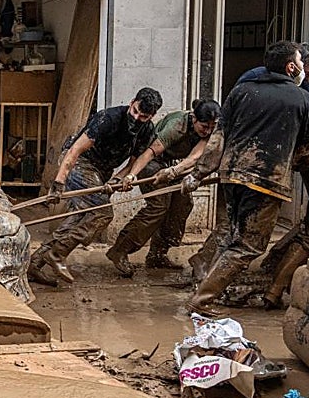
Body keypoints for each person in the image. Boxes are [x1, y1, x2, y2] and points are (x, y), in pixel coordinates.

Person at [186, 40, 309, 314]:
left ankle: (207, 286)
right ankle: (202, 299)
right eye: (300, 62)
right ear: (291, 67)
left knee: (233, 237)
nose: (303, 66)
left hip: (231, 177)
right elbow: (304, 149)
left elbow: (218, 137)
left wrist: (199, 173)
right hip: (265, 182)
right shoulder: (302, 99)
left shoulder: (241, 91)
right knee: (248, 246)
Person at [28, 87, 162, 287]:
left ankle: (36, 262)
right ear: (132, 102)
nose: (136, 118)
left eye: (143, 117)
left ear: (151, 116)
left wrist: (120, 179)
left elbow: (133, 164)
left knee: (81, 217)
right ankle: (57, 254)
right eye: (135, 111)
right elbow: (74, 150)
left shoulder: (147, 130)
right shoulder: (108, 118)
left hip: (102, 171)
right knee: (102, 213)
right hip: (80, 162)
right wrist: (58, 183)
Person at [104, 99, 221, 275]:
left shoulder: (210, 132)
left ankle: (157, 254)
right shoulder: (177, 125)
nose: (208, 131)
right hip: (151, 162)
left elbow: (194, 157)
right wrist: (130, 175)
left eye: (212, 127)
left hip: (172, 165)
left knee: (182, 203)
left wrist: (174, 171)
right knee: (158, 206)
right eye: (204, 126)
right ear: (194, 118)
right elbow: (149, 153)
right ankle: (120, 250)